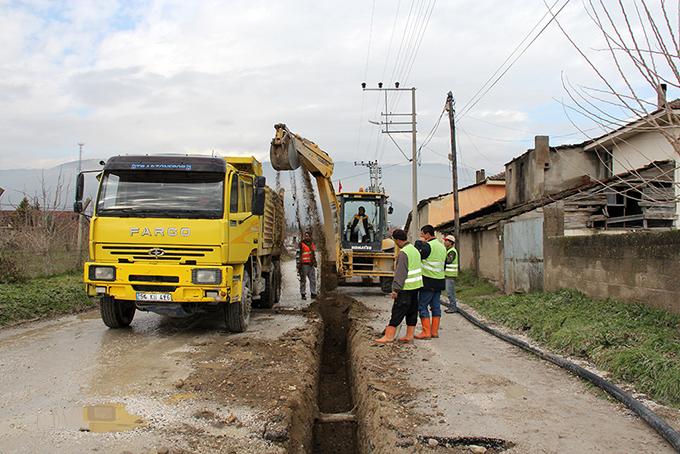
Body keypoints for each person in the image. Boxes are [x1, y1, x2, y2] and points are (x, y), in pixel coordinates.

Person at [375, 229, 422, 343]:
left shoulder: (404, 253)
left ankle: (389, 336)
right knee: (412, 312)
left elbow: (400, 273)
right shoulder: (414, 250)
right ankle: (409, 335)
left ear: (397, 240)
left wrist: (395, 289)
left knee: (397, 311)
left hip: (405, 289)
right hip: (416, 287)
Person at [414, 224, 446, 339]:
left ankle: (426, 332)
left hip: (428, 281)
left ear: (427, 234)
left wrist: (418, 245)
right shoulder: (442, 246)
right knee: (436, 306)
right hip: (439, 281)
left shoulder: (428, 246)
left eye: (422, 234)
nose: (421, 236)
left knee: (422, 306)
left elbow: (418, 256)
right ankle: (434, 332)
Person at [297, 231, 317, 300]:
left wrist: (315, 262)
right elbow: (298, 255)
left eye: (307, 236)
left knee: (313, 280)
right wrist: (298, 265)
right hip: (304, 265)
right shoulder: (301, 244)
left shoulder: (312, 244)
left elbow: (313, 254)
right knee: (303, 280)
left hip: (311, 265)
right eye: (305, 236)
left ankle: (313, 293)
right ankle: (303, 294)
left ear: (310, 237)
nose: (306, 237)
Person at [443, 234, 459, 314]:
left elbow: (448, 261)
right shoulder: (449, 251)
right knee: (449, 291)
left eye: (446, 241)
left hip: (450, 275)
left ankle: (453, 307)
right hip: (448, 275)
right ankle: (452, 306)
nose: (444, 242)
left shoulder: (452, 251)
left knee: (450, 292)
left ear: (451, 242)